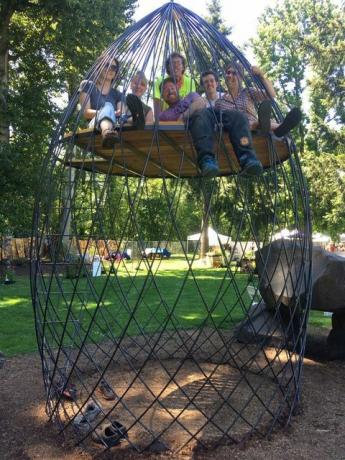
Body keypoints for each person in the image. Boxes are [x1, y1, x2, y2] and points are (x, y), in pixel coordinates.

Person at [159, 78, 262, 178]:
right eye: (165, 89)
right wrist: (190, 113)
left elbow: (200, 103)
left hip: (211, 114)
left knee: (238, 116)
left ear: (178, 89)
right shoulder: (163, 116)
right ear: (162, 96)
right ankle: (207, 159)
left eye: (172, 87)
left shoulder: (190, 96)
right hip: (199, 124)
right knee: (200, 116)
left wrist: (183, 116)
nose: (170, 90)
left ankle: (248, 158)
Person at [215, 63, 301, 137]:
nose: (230, 75)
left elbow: (271, 94)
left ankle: (279, 127)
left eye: (234, 73)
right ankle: (280, 127)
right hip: (232, 132)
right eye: (228, 73)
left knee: (257, 123)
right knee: (255, 123)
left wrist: (261, 75)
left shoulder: (247, 92)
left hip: (253, 133)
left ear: (240, 78)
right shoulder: (219, 102)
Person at [79, 59, 146, 148]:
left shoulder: (117, 94)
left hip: (115, 125)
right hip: (94, 124)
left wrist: (117, 114)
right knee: (108, 106)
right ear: (99, 67)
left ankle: (135, 119)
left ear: (116, 72)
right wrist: (105, 112)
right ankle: (106, 132)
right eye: (107, 65)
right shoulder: (87, 85)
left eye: (114, 67)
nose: (110, 69)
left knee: (123, 116)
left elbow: (120, 113)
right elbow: (86, 113)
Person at [153, 52, 196, 118]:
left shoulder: (190, 82)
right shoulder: (160, 81)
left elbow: (193, 101)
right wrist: (158, 122)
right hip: (167, 118)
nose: (176, 66)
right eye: (172, 63)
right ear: (168, 67)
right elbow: (157, 102)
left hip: (186, 118)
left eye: (178, 63)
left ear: (183, 67)